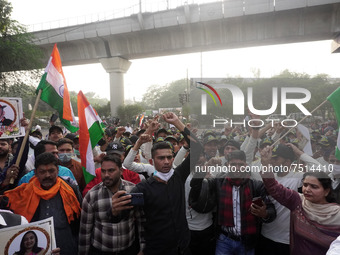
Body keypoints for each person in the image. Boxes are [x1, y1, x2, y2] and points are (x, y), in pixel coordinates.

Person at [130, 112, 203, 255]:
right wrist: (114, 211)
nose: (166, 161)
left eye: (169, 157)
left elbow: (197, 148)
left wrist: (177, 122)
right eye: (161, 158)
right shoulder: (143, 188)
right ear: (153, 160)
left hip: (183, 246)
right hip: (158, 249)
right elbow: (125, 213)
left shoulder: (179, 176)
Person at [190, 150, 276, 255]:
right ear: (227, 165)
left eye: (240, 164)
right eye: (233, 164)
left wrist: (264, 214)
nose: (237, 168)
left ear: (246, 165)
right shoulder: (219, 182)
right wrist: (206, 166)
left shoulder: (256, 186)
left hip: (247, 242)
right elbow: (195, 185)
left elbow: (272, 211)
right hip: (224, 240)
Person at [260, 145, 340, 254]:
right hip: (267, 235)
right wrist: (265, 163)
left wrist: (299, 153)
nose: (307, 189)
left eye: (276, 159)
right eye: (305, 185)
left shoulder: (298, 177)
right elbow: (272, 186)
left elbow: (322, 171)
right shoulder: (298, 199)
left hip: (287, 241)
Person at [4, 152, 82, 255]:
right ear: (35, 173)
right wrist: (5, 182)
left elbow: (80, 220)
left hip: (66, 247)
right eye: (42, 172)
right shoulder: (24, 193)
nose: (47, 175)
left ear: (57, 170)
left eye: (51, 171)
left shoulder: (70, 190)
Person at [79, 154, 145, 255]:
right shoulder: (92, 196)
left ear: (121, 171)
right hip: (101, 250)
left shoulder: (132, 190)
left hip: (128, 249)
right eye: (103, 171)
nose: (106, 175)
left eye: (111, 170)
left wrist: (143, 249)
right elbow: (85, 231)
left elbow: (142, 222)